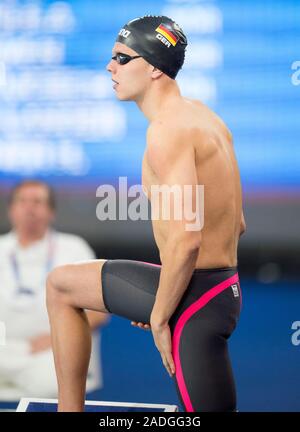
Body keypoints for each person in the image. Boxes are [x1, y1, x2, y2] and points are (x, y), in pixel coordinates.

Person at [46, 15, 246, 412]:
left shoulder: (167, 131)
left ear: (154, 67)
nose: (110, 66)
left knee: (58, 285)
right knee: (63, 284)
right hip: (217, 291)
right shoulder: (205, 117)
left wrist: (160, 313)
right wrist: (165, 292)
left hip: (196, 301)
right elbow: (236, 224)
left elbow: (188, 240)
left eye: (122, 58)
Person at [0, 180, 108, 400]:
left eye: (38, 202)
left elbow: (100, 312)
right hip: (6, 350)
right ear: (11, 210)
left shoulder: (74, 248)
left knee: (50, 381)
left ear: (51, 212)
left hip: (54, 350)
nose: (29, 208)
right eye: (22, 201)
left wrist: (53, 339)